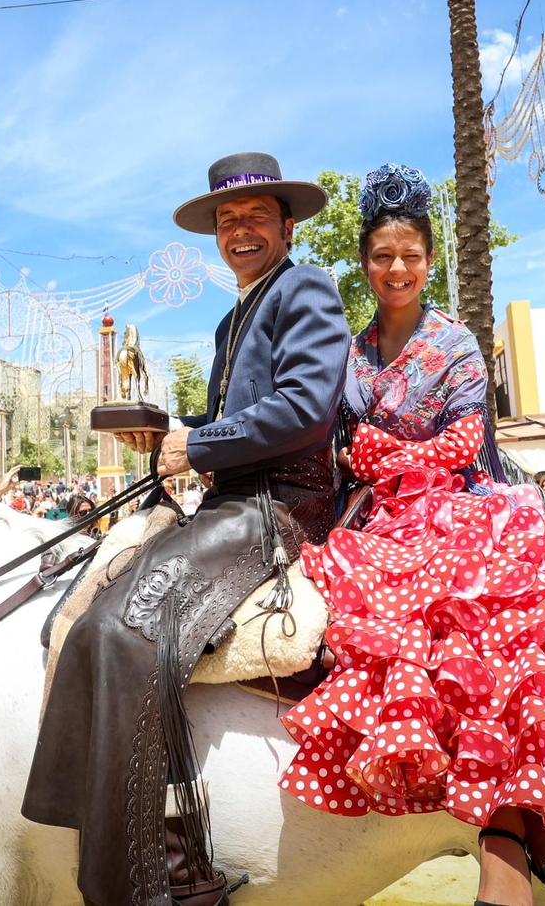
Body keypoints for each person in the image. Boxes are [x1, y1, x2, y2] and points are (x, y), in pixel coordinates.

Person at [282, 166, 545, 906]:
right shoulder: (351, 352)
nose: (396, 268)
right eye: (382, 254)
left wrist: (390, 453)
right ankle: (525, 831)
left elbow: (464, 438)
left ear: (430, 258)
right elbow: (344, 443)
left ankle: (506, 838)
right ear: (364, 262)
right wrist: (370, 457)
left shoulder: (458, 342)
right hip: (379, 512)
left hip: (461, 502)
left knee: (493, 627)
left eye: (410, 252)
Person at [25, 151, 350, 906]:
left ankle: (165, 858)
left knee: (122, 628)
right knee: (88, 603)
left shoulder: (305, 287)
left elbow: (305, 407)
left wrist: (196, 445)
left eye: (255, 217)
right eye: (227, 220)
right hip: (228, 501)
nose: (239, 230)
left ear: (287, 224)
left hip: (278, 508)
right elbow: (235, 420)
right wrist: (172, 431)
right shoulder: (233, 315)